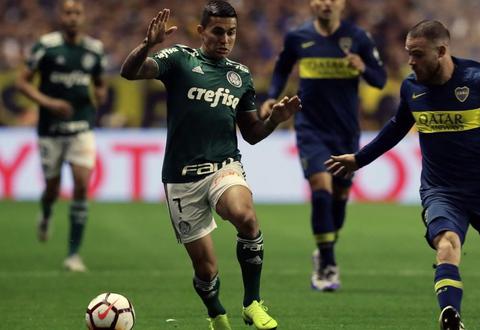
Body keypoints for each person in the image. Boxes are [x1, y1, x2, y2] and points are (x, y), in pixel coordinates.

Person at [326, 20, 480, 330]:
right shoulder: (411, 87)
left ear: (442, 51)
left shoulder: (478, 79)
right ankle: (451, 316)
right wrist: (358, 159)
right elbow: (395, 129)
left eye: (417, 54)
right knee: (446, 244)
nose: (410, 61)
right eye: (409, 53)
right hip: (440, 189)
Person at [120, 3, 301, 330]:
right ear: (201, 30)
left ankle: (252, 303)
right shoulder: (179, 59)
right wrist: (148, 44)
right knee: (206, 271)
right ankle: (216, 314)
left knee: (246, 217)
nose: (225, 38)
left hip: (224, 167)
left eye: (231, 32)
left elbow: (252, 135)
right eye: (218, 31)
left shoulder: (240, 76)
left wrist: (273, 119)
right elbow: (130, 72)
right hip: (181, 178)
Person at [260, 0, 386, 292]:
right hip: (310, 128)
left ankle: (325, 250)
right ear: (312, 4)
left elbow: (379, 80)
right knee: (320, 189)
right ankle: (328, 264)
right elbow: (281, 69)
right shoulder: (297, 38)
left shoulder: (359, 38)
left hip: (345, 131)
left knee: (339, 200)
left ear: (342, 4)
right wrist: (272, 95)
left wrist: (363, 67)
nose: (326, 3)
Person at [16, 0, 107, 272]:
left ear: (83, 16)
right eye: (68, 12)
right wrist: (48, 103)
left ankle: (73, 254)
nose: (73, 17)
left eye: (77, 12)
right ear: (60, 15)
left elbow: (100, 84)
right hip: (51, 130)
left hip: (81, 127)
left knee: (81, 184)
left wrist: (99, 95)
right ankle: (46, 213)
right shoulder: (46, 46)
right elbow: (22, 82)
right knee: (53, 189)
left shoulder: (95, 50)